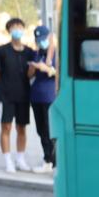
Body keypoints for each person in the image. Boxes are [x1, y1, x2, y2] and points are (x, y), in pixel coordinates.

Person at [0, 18, 36, 173]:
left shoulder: (29, 52)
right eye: (14, 27)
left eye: (19, 27)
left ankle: (20, 159)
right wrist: (4, 86)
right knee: (6, 127)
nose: (17, 29)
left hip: (23, 95)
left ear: (23, 29)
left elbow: (30, 74)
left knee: (21, 128)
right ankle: (8, 160)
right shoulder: (1, 51)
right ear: (9, 30)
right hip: (6, 96)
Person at [29, 25, 57, 174]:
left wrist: (46, 69)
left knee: (50, 130)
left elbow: (59, 74)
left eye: (44, 39)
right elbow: (30, 75)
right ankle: (47, 159)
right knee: (41, 130)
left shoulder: (56, 54)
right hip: (36, 97)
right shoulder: (37, 54)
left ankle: (54, 162)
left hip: (49, 97)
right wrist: (33, 68)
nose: (41, 42)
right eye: (38, 40)